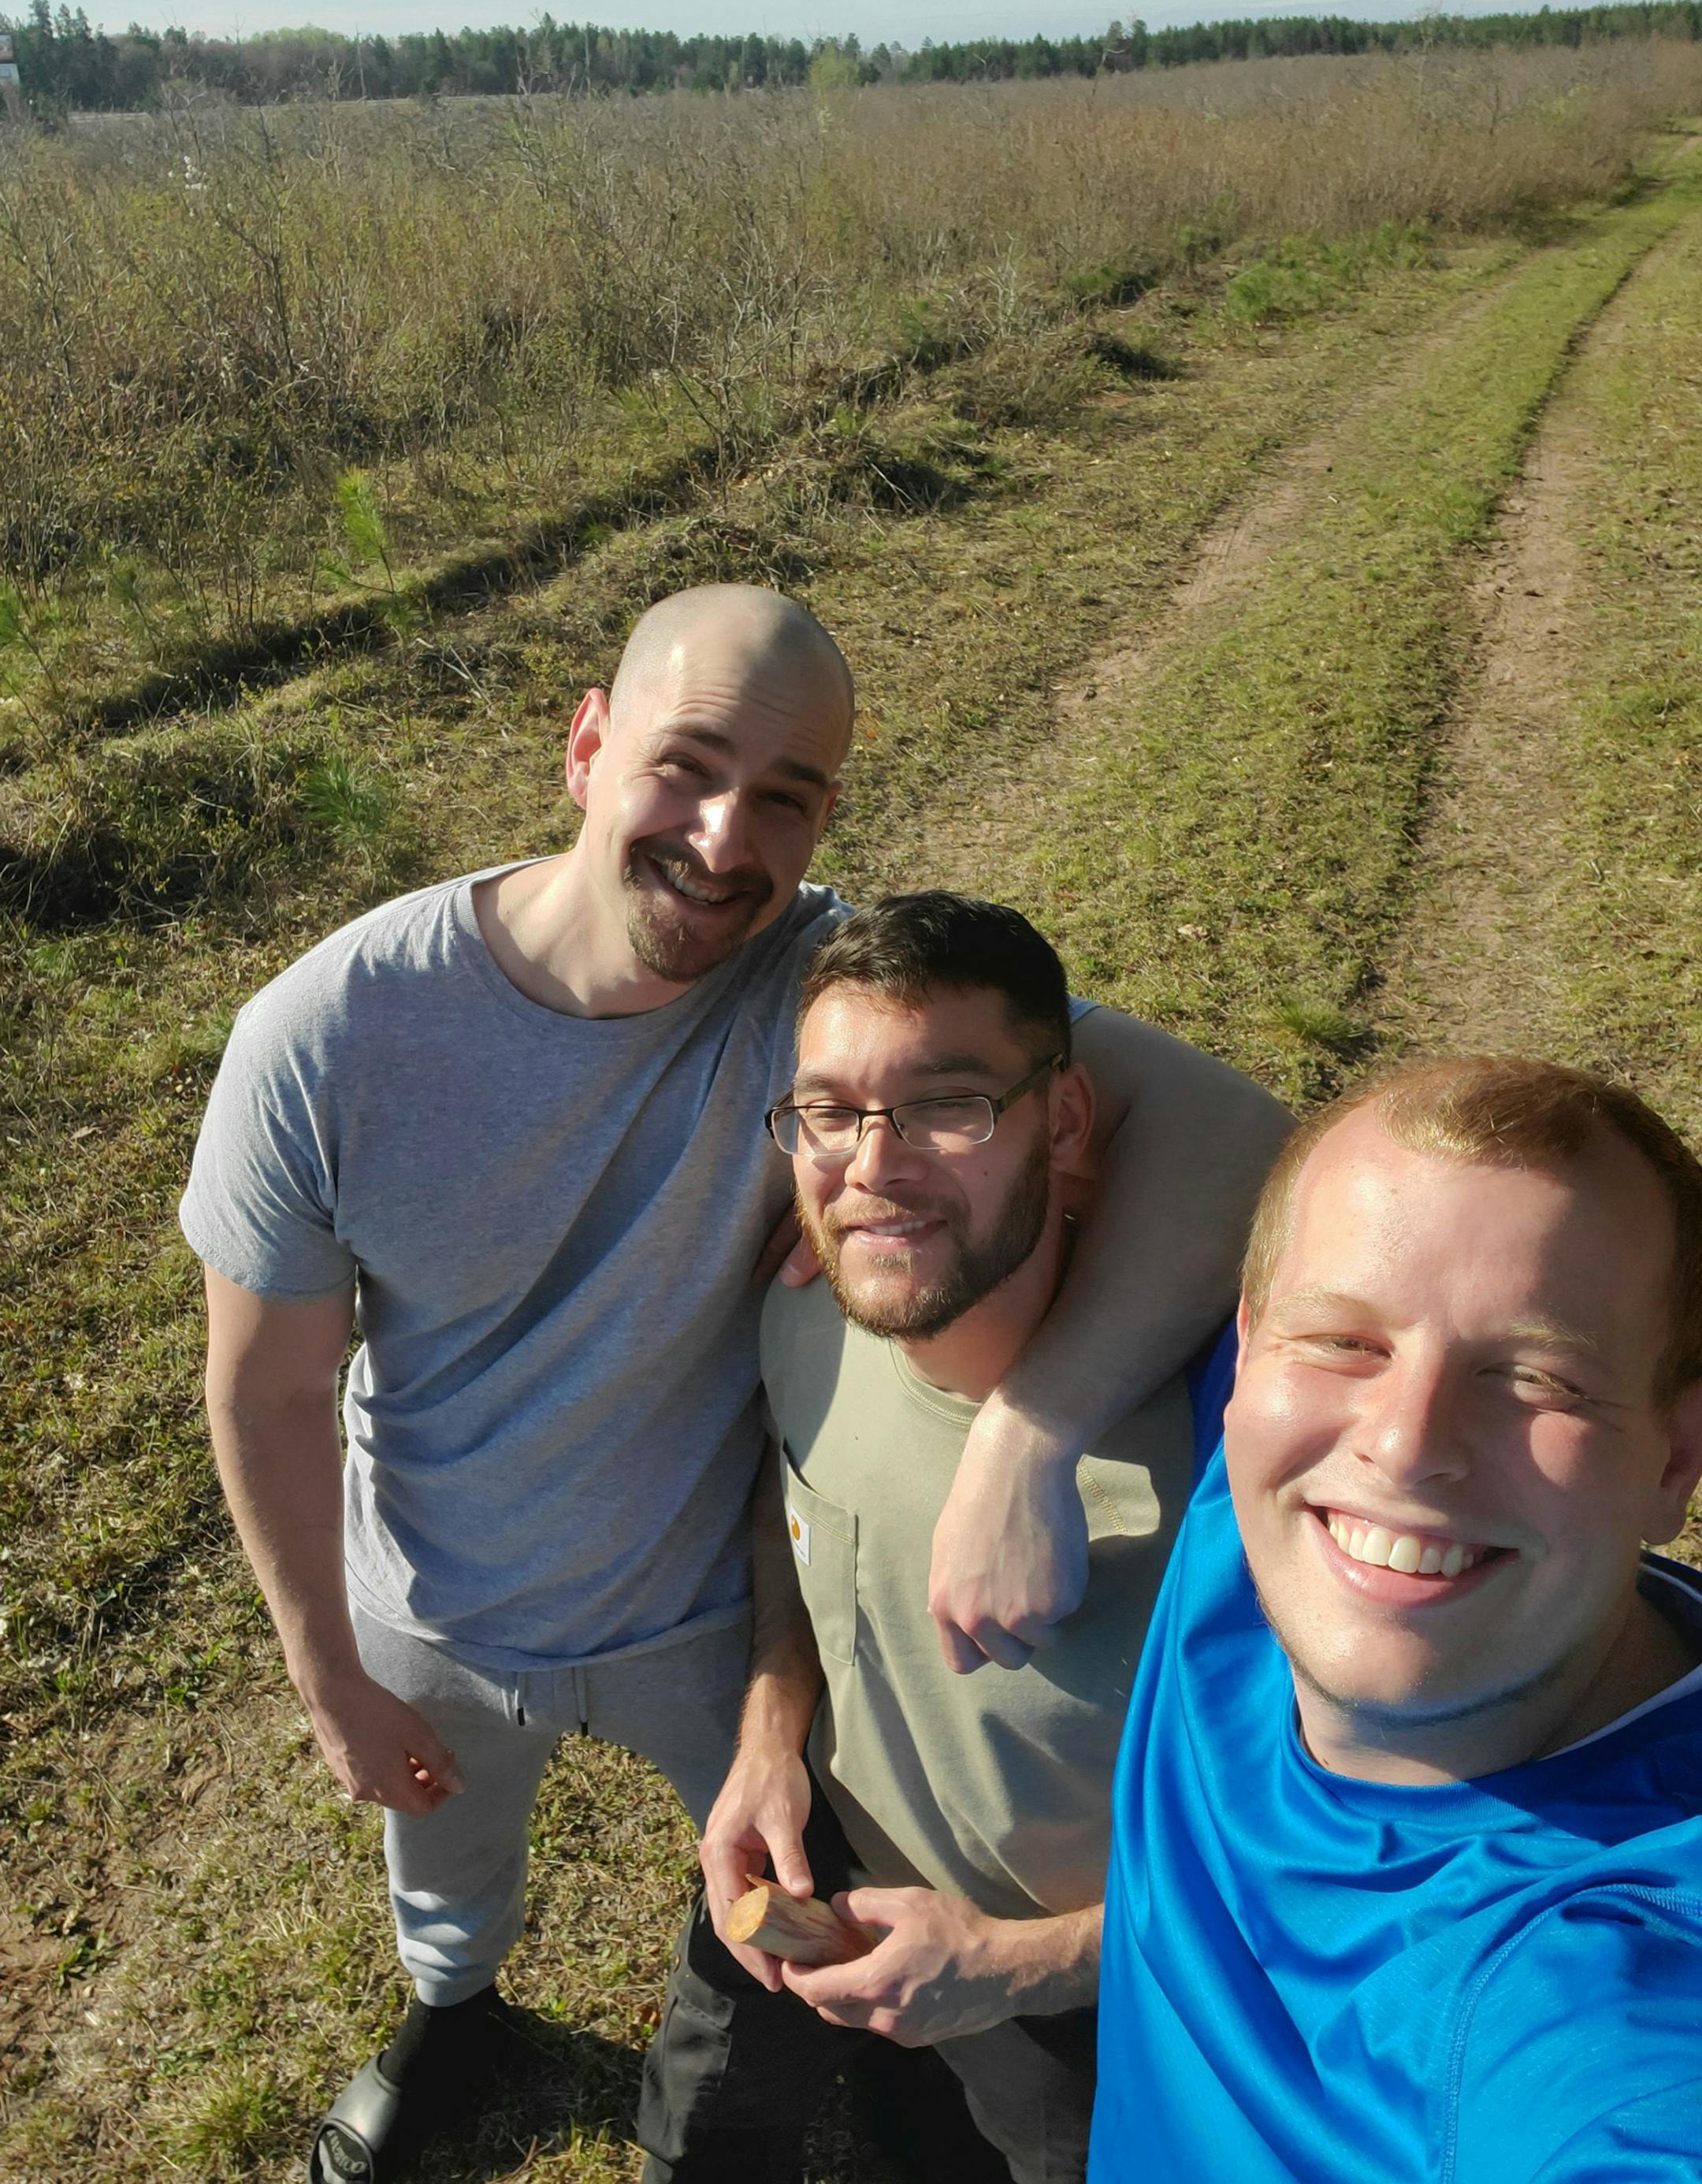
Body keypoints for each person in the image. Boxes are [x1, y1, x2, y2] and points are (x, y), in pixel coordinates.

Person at [180, 584, 1288, 2181]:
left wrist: (1028, 1440)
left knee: (801, 1898)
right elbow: (268, 1394)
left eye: (787, 796)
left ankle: (895, 2097)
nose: (723, 839)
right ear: (585, 745)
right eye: (688, 766)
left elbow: (1228, 1136)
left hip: (717, 1609)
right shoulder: (328, 1035)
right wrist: (323, 1669)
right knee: (444, 1845)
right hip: (430, 1593)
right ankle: (453, 2009)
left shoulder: (822, 990)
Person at [639, 893, 1244, 2184]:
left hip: (1092, 2005)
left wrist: (1015, 1965)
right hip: (822, 1874)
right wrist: (766, 1740)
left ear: (1067, 1122)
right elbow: (791, 1503)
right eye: (831, 1112)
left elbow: (1336, 1861)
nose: (874, 1167)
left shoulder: (1227, 1462)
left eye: (946, 1106)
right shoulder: (806, 1310)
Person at [1091, 1056, 1702, 2184]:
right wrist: (1021, 1436)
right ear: (1249, 1352)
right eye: (1346, 1344)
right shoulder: (1253, 1506)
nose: (1404, 1444)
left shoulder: (1598, 1980)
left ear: (1677, 1458)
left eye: (1538, 1380)